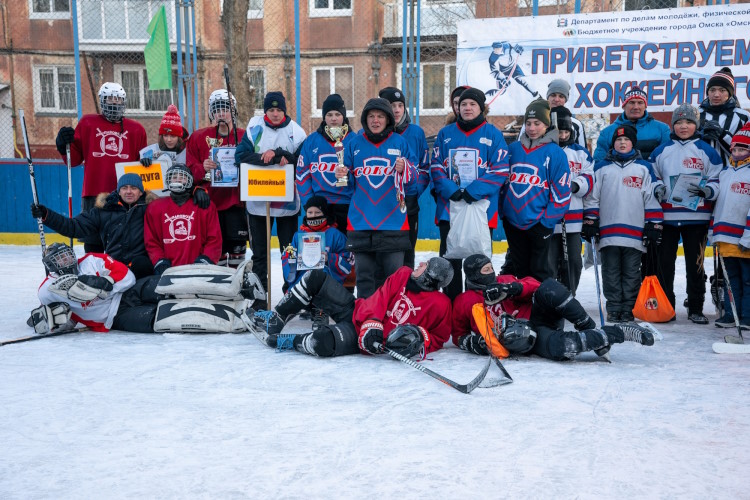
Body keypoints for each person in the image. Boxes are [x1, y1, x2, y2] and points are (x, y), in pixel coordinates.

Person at [451, 254, 654, 361]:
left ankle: (588, 326)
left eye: (491, 268)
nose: (491, 273)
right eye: (485, 270)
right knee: (561, 348)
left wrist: (513, 288)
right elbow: (457, 334)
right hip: (526, 340)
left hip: (538, 317)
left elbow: (537, 286)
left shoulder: (503, 280)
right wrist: (471, 342)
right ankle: (618, 333)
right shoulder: (464, 301)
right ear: (473, 274)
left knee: (550, 288)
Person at [246, 257, 453, 359]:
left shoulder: (441, 305)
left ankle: (290, 342)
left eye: (426, 265)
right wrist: (372, 323)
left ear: (430, 276)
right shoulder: (404, 274)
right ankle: (276, 319)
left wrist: (418, 337)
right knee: (315, 277)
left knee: (321, 342)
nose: (421, 263)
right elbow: (380, 297)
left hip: (366, 340)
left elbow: (439, 337)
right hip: (357, 311)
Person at [430, 87, 510, 299]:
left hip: (481, 209)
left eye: (472, 104)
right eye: (463, 104)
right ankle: (452, 307)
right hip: (451, 207)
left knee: (478, 263)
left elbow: (500, 169)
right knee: (450, 263)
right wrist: (451, 190)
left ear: (481, 108)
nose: (467, 108)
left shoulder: (493, 134)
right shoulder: (446, 134)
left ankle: (476, 310)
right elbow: (436, 166)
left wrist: (474, 191)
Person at [649, 103, 723, 324]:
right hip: (667, 218)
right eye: (679, 122)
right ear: (673, 125)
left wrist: (709, 190)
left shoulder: (707, 150)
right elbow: (652, 176)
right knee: (665, 264)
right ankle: (667, 307)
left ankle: (696, 307)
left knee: (696, 264)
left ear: (696, 125)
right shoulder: (661, 150)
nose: (683, 126)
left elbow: (717, 178)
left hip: (697, 217)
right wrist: (658, 188)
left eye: (689, 122)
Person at [336, 97, 416, 299]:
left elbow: (415, 179)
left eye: (380, 116)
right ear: (365, 119)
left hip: (394, 222)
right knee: (364, 278)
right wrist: (342, 175)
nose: (376, 120)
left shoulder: (400, 143)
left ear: (388, 119)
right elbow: (347, 186)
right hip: (360, 222)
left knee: (393, 279)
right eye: (371, 116)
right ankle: (365, 321)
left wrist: (405, 168)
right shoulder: (354, 143)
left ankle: (391, 321)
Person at [583, 124, 664, 323]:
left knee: (631, 274)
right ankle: (613, 308)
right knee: (610, 273)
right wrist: (591, 220)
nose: (622, 142)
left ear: (632, 143)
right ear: (613, 144)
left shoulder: (644, 168)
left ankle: (628, 308)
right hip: (608, 233)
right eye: (618, 140)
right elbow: (593, 197)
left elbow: (651, 197)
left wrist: (653, 224)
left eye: (626, 140)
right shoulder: (601, 167)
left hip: (634, 234)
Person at [54, 82, 148, 253]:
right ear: (102, 101)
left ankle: (121, 275)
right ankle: (93, 273)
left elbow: (140, 166)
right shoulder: (87, 123)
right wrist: (63, 145)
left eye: (118, 99)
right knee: (93, 242)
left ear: (124, 102)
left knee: (121, 241)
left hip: (124, 195)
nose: (114, 103)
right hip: (93, 193)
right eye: (110, 99)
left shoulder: (137, 129)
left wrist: (147, 162)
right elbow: (73, 160)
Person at [235, 91, 307, 294]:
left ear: (284, 110)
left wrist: (282, 155)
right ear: (265, 111)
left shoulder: (296, 131)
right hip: (258, 201)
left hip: (286, 202)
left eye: (279, 110)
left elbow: (301, 161)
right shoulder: (254, 127)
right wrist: (268, 158)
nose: (275, 114)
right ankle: (260, 295)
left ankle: (290, 295)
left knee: (289, 252)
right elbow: (240, 156)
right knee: (260, 254)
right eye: (271, 110)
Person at [30, 173, 157, 279]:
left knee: (142, 264)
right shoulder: (103, 211)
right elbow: (74, 226)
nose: (129, 191)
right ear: (118, 191)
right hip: (113, 267)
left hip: (141, 269)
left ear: (141, 192)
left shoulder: (151, 210)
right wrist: (47, 215)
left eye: (133, 188)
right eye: (124, 188)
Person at [502, 98, 571, 282]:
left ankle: (540, 310)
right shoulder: (513, 150)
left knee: (540, 273)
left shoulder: (555, 153)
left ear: (547, 125)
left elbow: (562, 194)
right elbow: (501, 183)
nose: (532, 128)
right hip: (512, 222)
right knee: (520, 272)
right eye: (528, 123)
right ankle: (524, 311)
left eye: (537, 123)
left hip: (538, 223)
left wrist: (545, 222)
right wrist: (504, 214)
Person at [186, 89, 247, 267]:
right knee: (214, 247)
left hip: (236, 201)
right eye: (218, 108)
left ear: (233, 111)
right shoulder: (198, 137)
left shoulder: (244, 136)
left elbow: (254, 164)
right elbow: (189, 168)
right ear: (211, 112)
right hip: (209, 201)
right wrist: (201, 167)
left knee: (237, 246)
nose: (222, 113)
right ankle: (218, 283)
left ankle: (237, 280)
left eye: (226, 108)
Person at [28, 243, 136, 334]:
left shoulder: (91, 260)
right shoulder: (46, 291)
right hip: (112, 317)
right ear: (51, 264)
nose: (67, 259)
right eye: (61, 258)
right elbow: (68, 316)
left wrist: (105, 286)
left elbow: (128, 277)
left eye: (68, 255)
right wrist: (57, 324)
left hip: (126, 294)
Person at [379, 86, 430, 269]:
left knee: (408, 252)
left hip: (408, 203)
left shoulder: (416, 133)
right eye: (392, 105)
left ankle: (406, 293)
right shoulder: (371, 134)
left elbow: (424, 168)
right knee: (383, 255)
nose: (397, 109)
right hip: (382, 203)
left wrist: (414, 190)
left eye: (400, 105)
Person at [546, 106, 594, 293]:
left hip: (573, 218)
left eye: (566, 131)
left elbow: (589, 176)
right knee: (549, 261)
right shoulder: (545, 151)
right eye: (559, 131)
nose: (562, 135)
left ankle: (569, 294)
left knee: (573, 259)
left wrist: (576, 185)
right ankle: (549, 296)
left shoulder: (580, 152)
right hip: (549, 217)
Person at [707, 123, 750, 329]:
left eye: (743, 149)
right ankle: (730, 314)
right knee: (730, 280)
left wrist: (748, 237)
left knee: (747, 281)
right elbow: (717, 204)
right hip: (725, 237)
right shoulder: (725, 173)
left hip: (744, 239)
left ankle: (747, 316)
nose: (738, 152)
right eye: (735, 148)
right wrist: (712, 233)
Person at [144, 163, 222, 274]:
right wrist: (159, 260)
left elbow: (214, 239)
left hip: (197, 270)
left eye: (182, 177)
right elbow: (151, 241)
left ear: (190, 181)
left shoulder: (205, 206)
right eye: (174, 177)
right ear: (168, 180)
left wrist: (206, 258)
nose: (178, 180)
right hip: (168, 270)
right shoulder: (154, 208)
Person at [296, 93, 355, 232]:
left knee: (346, 250)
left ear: (343, 116)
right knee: (321, 250)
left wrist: (349, 177)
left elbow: (361, 175)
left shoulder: (354, 140)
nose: (333, 118)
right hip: (319, 206)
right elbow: (301, 175)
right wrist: (310, 204)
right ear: (324, 117)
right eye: (329, 114)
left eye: (337, 114)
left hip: (347, 204)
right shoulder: (311, 141)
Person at [282, 196, 352, 289]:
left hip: (327, 282)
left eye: (318, 212)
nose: (313, 215)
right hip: (302, 282)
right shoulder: (298, 235)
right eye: (310, 212)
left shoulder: (335, 235)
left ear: (325, 213)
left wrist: (330, 258)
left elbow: (348, 260)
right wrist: (293, 258)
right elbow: (288, 255)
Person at [593, 85, 670, 162]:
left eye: (640, 103)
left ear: (645, 106)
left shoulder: (662, 129)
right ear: (624, 106)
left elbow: (667, 159)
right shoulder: (607, 132)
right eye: (632, 103)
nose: (636, 107)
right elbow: (599, 162)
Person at [699, 67, 750, 167]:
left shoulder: (744, 116)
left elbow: (747, 150)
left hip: (732, 175)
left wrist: (722, 135)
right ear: (707, 92)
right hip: (700, 174)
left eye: (722, 90)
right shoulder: (696, 114)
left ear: (730, 93)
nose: (716, 95)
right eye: (712, 90)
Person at [518, 80, 587, 148]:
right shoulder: (532, 122)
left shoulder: (576, 124)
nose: (556, 99)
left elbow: (582, 152)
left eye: (561, 96)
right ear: (548, 97)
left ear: (566, 99)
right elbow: (520, 146)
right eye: (553, 95)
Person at [140, 104, 190, 171]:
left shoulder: (187, 152)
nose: (168, 140)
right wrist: (142, 163)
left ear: (179, 137)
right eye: (165, 135)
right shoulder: (150, 151)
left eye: (173, 136)